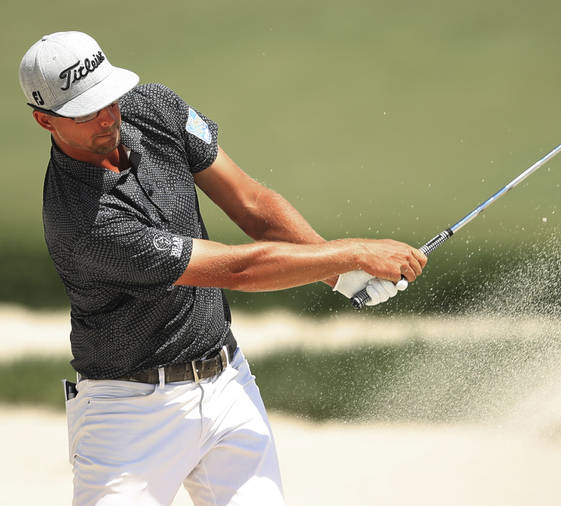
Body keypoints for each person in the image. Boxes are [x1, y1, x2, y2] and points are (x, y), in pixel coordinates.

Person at [19, 31, 427, 505]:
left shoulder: (153, 107)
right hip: (129, 418)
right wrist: (352, 254)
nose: (108, 116)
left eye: (107, 97)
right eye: (86, 110)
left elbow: (251, 202)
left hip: (227, 384)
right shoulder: (82, 222)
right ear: (45, 120)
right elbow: (237, 270)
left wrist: (339, 275)